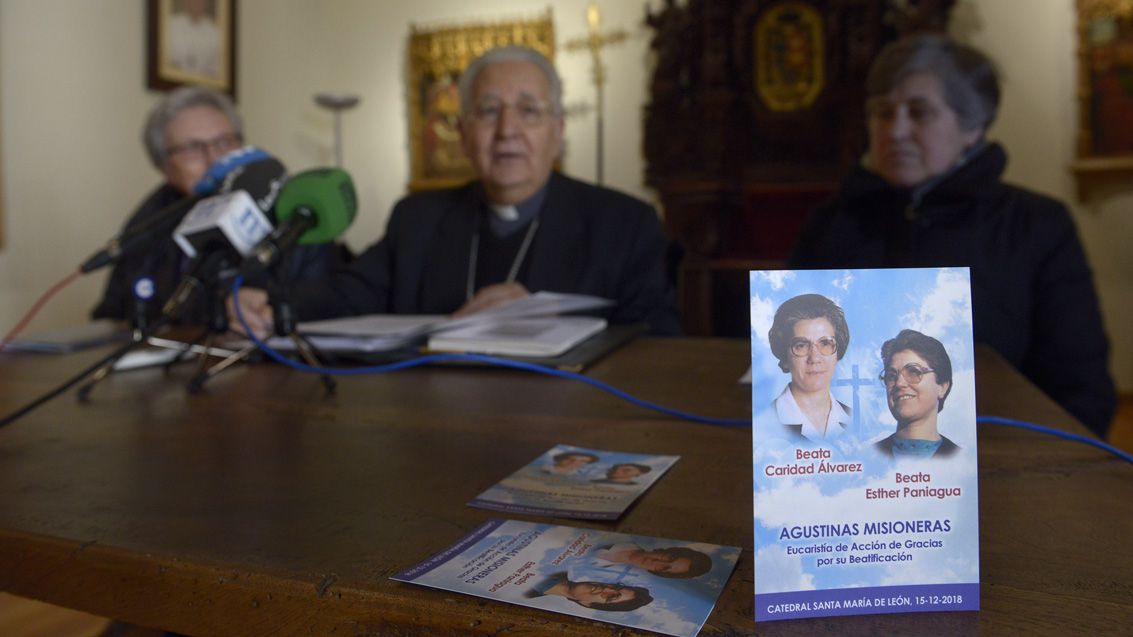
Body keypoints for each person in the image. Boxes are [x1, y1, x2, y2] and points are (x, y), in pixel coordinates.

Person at [789, 34, 1116, 438]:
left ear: (971, 126)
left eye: (919, 113)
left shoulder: (1037, 225)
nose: (896, 131)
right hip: (845, 460)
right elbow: (789, 360)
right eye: (882, 113)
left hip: (1005, 461)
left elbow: (1079, 386)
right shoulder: (831, 222)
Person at [229, 45, 681, 337]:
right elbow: (352, 292)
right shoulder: (418, 219)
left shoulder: (624, 223)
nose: (507, 131)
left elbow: (661, 337)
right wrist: (273, 305)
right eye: (488, 111)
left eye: (529, 111)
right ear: (463, 133)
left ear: (558, 131)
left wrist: (560, 326)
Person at [91, 86, 336, 327]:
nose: (214, 160)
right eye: (192, 149)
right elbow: (113, 314)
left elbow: (326, 302)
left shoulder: (293, 207)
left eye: (225, 142)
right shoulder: (151, 219)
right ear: (163, 167)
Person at [767, 294, 852, 442]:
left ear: (837, 354)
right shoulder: (766, 421)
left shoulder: (854, 419)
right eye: (801, 346)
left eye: (825, 344)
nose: (815, 358)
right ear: (785, 357)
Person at [875, 329, 959, 459]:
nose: (899, 383)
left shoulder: (961, 459)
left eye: (914, 372)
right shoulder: (868, 456)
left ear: (942, 387)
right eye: (891, 376)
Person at [523, 572, 653, 612]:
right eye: (616, 587)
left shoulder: (524, 598)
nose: (606, 589)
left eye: (611, 597)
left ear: (587, 604)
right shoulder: (559, 569)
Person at [590, 544, 712, 579]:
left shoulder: (607, 578)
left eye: (665, 568)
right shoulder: (621, 539)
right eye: (669, 558)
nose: (656, 562)